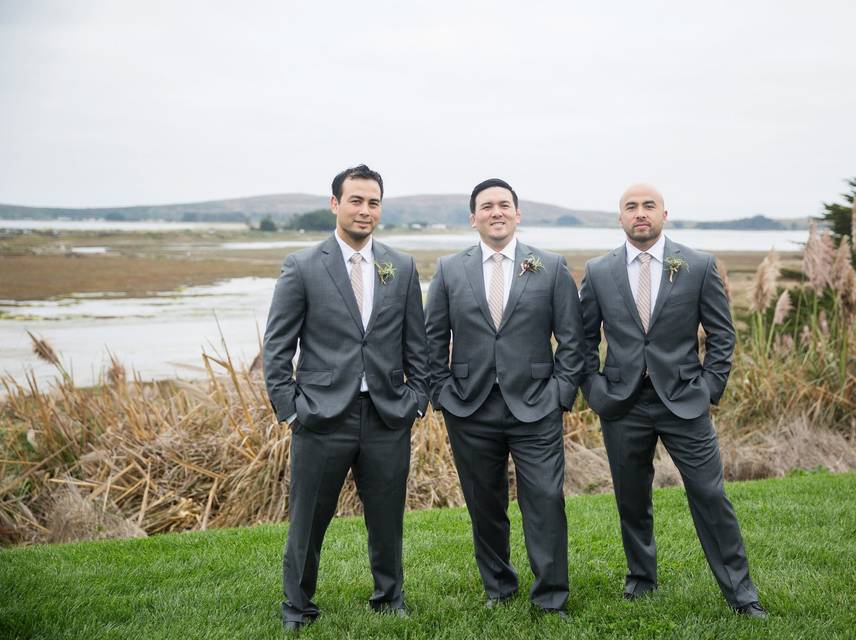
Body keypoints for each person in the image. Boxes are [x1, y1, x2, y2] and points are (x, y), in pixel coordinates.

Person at [578, 183, 767, 617]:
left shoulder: (698, 265)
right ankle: (641, 580)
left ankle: (741, 594)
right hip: (622, 403)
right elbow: (584, 339)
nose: (640, 213)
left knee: (710, 495)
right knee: (631, 498)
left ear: (665, 213)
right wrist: (595, 389)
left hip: (684, 401)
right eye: (631, 207)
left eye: (649, 206)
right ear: (620, 218)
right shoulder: (598, 271)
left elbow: (722, 336)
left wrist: (708, 388)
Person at [262, 164, 429, 632]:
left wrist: (416, 399)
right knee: (309, 519)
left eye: (373, 202)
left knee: (387, 517)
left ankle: (389, 597)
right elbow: (277, 347)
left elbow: (417, 343)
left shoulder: (400, 265)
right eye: (355, 200)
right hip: (320, 417)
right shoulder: (302, 266)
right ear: (335, 204)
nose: (365, 210)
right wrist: (290, 409)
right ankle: (298, 606)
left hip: (386, 415)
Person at [424, 178, 584, 618]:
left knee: (546, 500)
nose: (496, 212)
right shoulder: (449, 269)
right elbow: (432, 339)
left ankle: (551, 597)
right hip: (469, 407)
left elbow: (572, 341)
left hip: (536, 406)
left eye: (504, 205)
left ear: (518, 213)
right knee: (484, 503)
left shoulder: (549, 266)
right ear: (473, 217)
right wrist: (442, 393)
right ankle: (499, 587)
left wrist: (560, 394)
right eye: (487, 206)